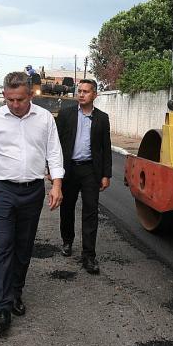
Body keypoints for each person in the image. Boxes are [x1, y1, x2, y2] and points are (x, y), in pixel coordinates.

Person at [0, 71, 64, 336]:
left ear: (30, 96)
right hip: (2, 190)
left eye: (21, 100)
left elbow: (54, 152)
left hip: (32, 191)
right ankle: (1, 308)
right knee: (3, 246)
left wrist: (57, 185)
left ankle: (16, 292)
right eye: (11, 99)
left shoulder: (45, 118)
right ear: (4, 95)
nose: (15, 105)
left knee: (24, 246)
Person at [55, 79, 111, 274]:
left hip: (90, 171)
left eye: (86, 91)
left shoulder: (102, 118)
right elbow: (55, 144)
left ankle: (89, 256)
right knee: (67, 208)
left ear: (94, 95)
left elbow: (106, 148)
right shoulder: (66, 114)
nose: (81, 94)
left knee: (90, 212)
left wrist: (106, 174)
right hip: (69, 169)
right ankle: (67, 241)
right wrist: (53, 170)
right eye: (79, 91)